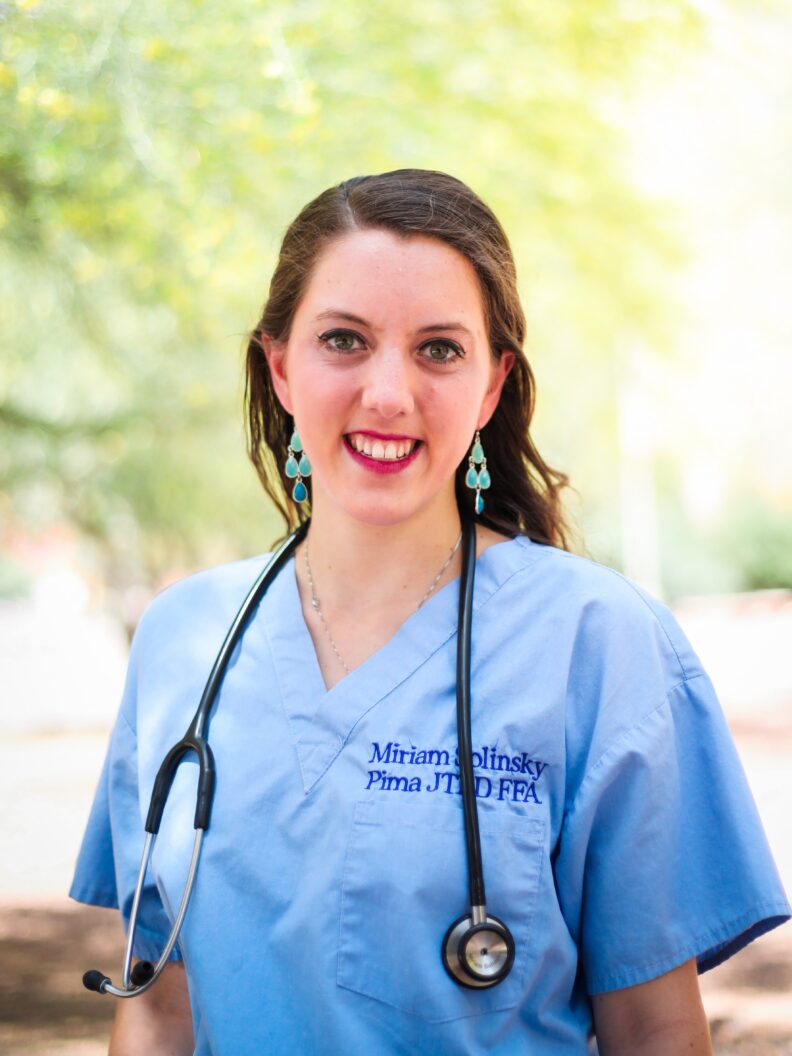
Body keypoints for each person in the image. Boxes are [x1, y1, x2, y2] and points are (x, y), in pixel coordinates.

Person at [70, 169, 790, 1055]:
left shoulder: (597, 643)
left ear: (492, 387)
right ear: (281, 367)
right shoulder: (184, 638)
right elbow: (158, 1004)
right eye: (345, 339)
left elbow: (655, 1032)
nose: (388, 393)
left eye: (439, 349)